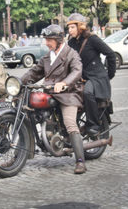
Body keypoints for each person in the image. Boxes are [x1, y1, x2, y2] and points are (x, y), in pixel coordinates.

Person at [21, 24, 86, 174]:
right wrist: (18, 82)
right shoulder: (47, 57)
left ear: (58, 39)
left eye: (49, 39)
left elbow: (77, 71)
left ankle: (80, 161)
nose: (46, 43)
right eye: (46, 39)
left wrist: (64, 83)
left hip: (68, 94)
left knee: (70, 123)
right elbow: (34, 72)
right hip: (49, 92)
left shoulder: (71, 54)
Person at [67, 13, 116, 135]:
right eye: (68, 28)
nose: (69, 30)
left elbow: (111, 54)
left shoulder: (92, 39)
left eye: (72, 27)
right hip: (82, 77)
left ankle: (93, 124)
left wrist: (109, 74)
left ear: (80, 26)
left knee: (87, 92)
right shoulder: (71, 43)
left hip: (96, 77)